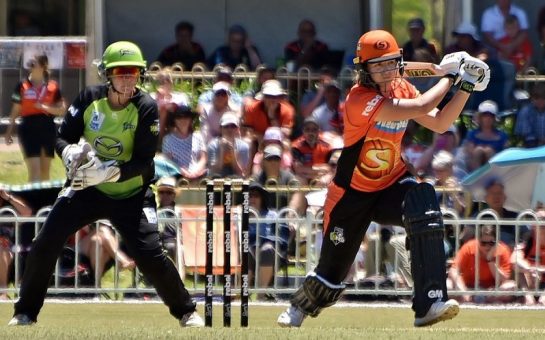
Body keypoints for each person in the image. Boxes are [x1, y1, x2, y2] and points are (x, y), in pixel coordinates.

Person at [277, 29, 490, 328]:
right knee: (332, 275)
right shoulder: (358, 99)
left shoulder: (402, 87)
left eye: (391, 63)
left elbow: (440, 122)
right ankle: (299, 306)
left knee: (424, 203)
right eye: (377, 65)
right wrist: (450, 77)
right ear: (364, 70)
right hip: (352, 193)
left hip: (390, 182)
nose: (386, 70)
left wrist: (465, 84)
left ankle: (429, 302)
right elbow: (421, 107)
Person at [7, 41, 204, 327]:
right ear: (107, 74)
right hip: (87, 188)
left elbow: (145, 162)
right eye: (120, 72)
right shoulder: (89, 98)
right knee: (45, 242)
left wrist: (110, 174)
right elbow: (61, 138)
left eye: (133, 72)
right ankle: (25, 312)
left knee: (151, 255)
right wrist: (69, 152)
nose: (127, 79)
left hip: (131, 192)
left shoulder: (146, 107)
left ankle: (186, 310)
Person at [4, 54, 67, 182]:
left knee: (45, 173)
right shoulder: (22, 86)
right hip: (28, 129)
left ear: (43, 67)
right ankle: (31, 201)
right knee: (35, 171)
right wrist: (9, 131)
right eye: (30, 63)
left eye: (34, 63)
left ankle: (44, 201)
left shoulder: (52, 86)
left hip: (47, 128)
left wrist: (44, 107)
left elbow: (62, 110)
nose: (31, 66)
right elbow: (16, 110)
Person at [448, 225, 515, 303]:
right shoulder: (469, 247)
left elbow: (504, 279)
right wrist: (464, 292)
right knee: (447, 285)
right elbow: (453, 270)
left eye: (491, 243)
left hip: (491, 291)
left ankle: (482, 301)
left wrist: (490, 260)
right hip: (468, 287)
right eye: (483, 243)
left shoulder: (503, 250)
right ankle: (469, 300)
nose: (487, 246)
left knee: (511, 287)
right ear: (478, 241)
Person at [247, 182, 290, 300]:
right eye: (249, 195)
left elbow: (282, 238)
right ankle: (240, 295)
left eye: (256, 195)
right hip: (246, 252)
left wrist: (260, 242)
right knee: (246, 251)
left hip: (271, 253)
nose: (252, 198)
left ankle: (260, 297)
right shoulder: (238, 215)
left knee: (267, 249)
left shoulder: (273, 215)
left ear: (262, 198)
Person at [162, 104, 208, 182]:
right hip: (177, 176)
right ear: (175, 120)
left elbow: (203, 159)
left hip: (197, 174)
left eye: (186, 117)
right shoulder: (168, 139)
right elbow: (168, 161)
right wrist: (181, 171)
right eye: (179, 117)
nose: (183, 120)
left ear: (190, 119)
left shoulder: (198, 137)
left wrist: (195, 171)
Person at [0, 189, 33, 300]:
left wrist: (9, 197)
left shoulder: (8, 213)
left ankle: (2, 293)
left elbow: (27, 213)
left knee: (2, 251)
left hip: (6, 252)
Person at [363, 222, 413, 288]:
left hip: (403, 235)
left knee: (392, 243)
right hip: (383, 235)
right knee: (372, 241)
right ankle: (371, 281)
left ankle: (407, 281)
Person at [511, 210, 545, 305]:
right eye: (539, 220)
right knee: (519, 270)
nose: (542, 224)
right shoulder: (527, 239)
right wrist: (529, 269)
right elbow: (514, 260)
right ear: (533, 225)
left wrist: (540, 270)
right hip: (530, 280)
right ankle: (527, 296)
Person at [150, 68, 190, 144]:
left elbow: (186, 112)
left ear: (171, 82)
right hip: (156, 123)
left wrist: (172, 106)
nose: (164, 83)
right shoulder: (152, 97)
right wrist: (160, 100)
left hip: (175, 123)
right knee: (163, 111)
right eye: (161, 82)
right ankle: (159, 142)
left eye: (167, 80)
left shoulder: (180, 97)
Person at [291, 117, 335, 186]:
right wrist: (320, 169)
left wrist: (309, 170)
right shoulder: (296, 146)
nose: (310, 133)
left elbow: (330, 168)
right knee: (300, 181)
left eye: (314, 130)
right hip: (303, 178)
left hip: (320, 178)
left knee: (325, 180)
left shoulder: (327, 147)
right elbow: (298, 169)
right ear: (303, 131)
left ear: (318, 131)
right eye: (307, 130)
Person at [156, 177, 185, 280]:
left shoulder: (179, 211)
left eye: (169, 192)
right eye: (161, 192)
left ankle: (177, 282)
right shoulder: (152, 209)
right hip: (155, 242)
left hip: (173, 242)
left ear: (174, 195)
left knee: (174, 246)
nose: (165, 195)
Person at [207, 112, 250, 178]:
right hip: (216, 181)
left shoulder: (243, 146)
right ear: (220, 129)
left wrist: (232, 152)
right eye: (226, 126)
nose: (229, 129)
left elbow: (241, 172)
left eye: (233, 126)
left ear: (237, 129)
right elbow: (215, 171)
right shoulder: (213, 145)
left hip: (237, 181)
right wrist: (222, 150)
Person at [514, 83, 545, 147]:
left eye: (543, 97)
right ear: (532, 98)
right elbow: (527, 137)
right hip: (531, 147)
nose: (540, 100)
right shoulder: (525, 111)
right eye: (537, 97)